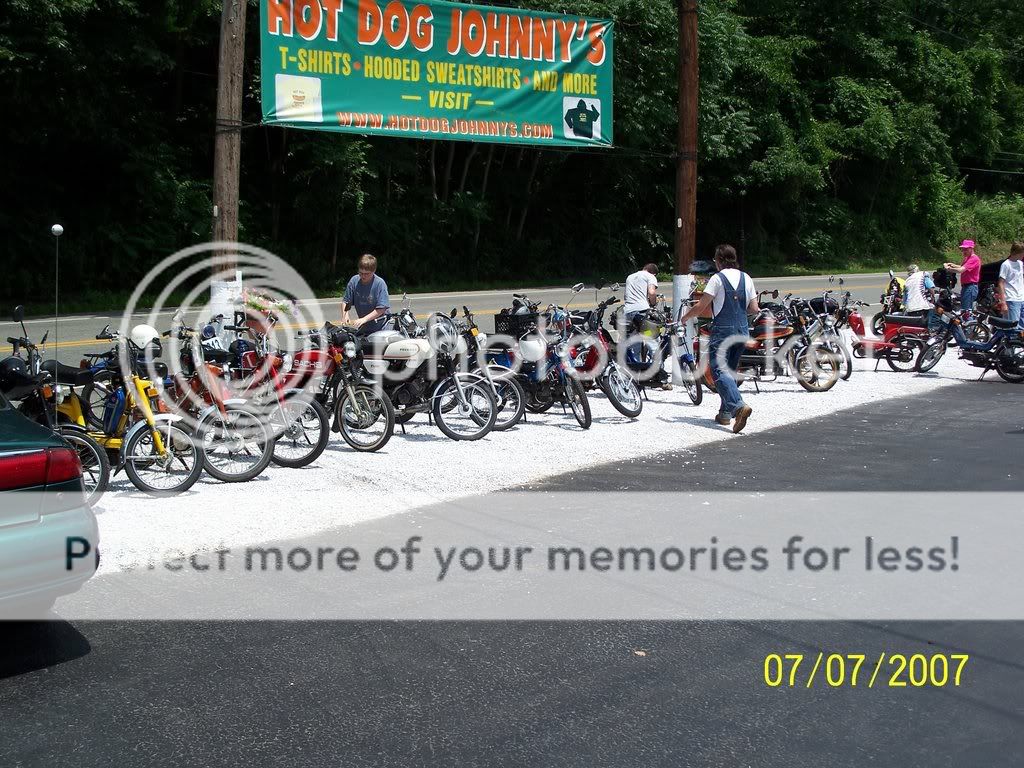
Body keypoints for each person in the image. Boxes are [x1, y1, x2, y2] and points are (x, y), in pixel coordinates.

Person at [680, 244, 760, 434]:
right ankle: (724, 414)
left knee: (718, 371)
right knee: (729, 371)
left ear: (719, 261)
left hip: (723, 331)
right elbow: (754, 308)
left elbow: (702, 306)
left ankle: (738, 406)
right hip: (742, 329)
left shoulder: (717, 279)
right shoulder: (746, 277)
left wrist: (685, 317)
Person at [342, 254, 390, 335]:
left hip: (382, 328)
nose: (363, 276)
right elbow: (346, 301)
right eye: (361, 273)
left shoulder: (380, 284)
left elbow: (382, 308)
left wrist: (364, 319)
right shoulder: (354, 281)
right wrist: (345, 314)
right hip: (365, 328)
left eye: (366, 274)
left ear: (374, 271)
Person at [944, 240, 981, 312]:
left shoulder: (974, 259)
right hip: (966, 286)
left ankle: (969, 319)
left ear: (971, 248)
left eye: (966, 249)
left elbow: (961, 270)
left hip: (970, 287)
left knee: (966, 311)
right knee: (964, 309)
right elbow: (962, 267)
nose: (964, 251)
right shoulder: (967, 258)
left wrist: (948, 269)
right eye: (963, 249)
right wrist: (952, 265)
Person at [998, 242, 1024, 329]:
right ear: (1018, 253)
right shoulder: (1006, 265)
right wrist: (1003, 302)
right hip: (1012, 299)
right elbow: (1001, 283)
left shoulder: (1020, 264)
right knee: (1013, 327)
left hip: (1021, 298)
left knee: (1022, 328)